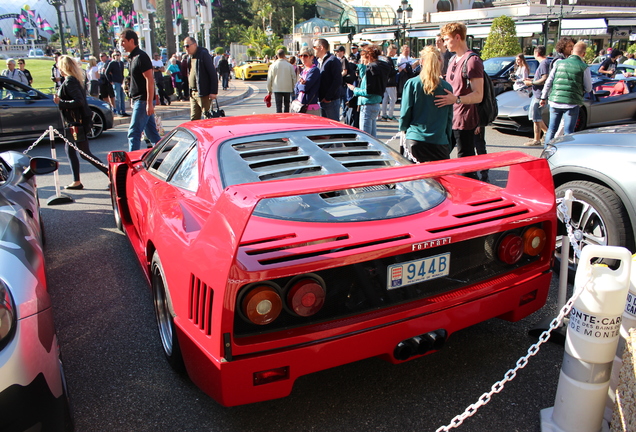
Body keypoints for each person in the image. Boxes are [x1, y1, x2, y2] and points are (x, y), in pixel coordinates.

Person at [435, 22, 485, 178]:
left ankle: (471, 196)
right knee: (441, 155)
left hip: (464, 118)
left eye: (447, 39)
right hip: (451, 116)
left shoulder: (472, 60)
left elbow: (478, 94)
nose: (445, 43)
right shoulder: (453, 59)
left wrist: (455, 99)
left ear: (458, 37)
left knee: (465, 161)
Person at [53, 55, 108, 189]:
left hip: (76, 122)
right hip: (77, 121)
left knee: (84, 153)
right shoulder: (74, 80)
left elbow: (78, 101)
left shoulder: (70, 81)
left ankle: (110, 173)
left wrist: (61, 102)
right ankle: (76, 180)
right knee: (72, 150)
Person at [399, 46, 453, 163]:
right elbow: (449, 118)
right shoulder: (446, 87)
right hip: (439, 140)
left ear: (422, 62)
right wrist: (447, 140)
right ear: (441, 62)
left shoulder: (412, 84)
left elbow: (405, 113)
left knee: (415, 180)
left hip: (416, 138)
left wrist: (403, 129)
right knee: (438, 180)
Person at [540, 41, 592, 146]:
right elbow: (589, 88)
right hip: (571, 102)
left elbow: (549, 81)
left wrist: (543, 97)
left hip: (555, 100)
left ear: (572, 51)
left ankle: (546, 152)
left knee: (551, 129)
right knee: (569, 132)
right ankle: (566, 152)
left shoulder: (558, 63)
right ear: (584, 54)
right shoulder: (584, 67)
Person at [120, 29, 162, 152]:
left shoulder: (141, 57)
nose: (122, 45)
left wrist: (149, 103)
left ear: (131, 41)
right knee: (152, 135)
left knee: (134, 133)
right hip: (139, 99)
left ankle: (132, 162)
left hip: (143, 100)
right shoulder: (132, 57)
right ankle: (165, 156)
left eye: (123, 41)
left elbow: (150, 79)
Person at [347, 44, 391, 137]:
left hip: (367, 105)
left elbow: (368, 90)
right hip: (375, 103)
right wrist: (362, 66)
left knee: (365, 137)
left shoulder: (371, 68)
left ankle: (367, 151)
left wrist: (355, 90)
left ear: (369, 56)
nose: (362, 60)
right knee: (372, 136)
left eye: (363, 58)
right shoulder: (380, 67)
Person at [183, 37, 218, 120]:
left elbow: (212, 73)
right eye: (184, 46)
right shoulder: (190, 57)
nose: (186, 48)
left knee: (208, 117)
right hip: (193, 92)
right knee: (194, 119)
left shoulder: (203, 54)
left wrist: (213, 92)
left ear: (194, 45)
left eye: (187, 46)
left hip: (203, 93)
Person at [522, 45, 550, 146]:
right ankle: (546, 133)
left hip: (540, 95)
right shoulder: (544, 63)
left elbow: (544, 79)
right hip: (537, 94)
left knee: (536, 117)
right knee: (534, 116)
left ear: (536, 53)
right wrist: (531, 81)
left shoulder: (544, 64)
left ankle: (537, 139)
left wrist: (532, 83)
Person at [313, 38, 342, 121]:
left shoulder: (332, 60)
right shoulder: (319, 61)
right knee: (325, 128)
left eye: (314, 47)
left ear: (321, 47)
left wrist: (328, 98)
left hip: (330, 101)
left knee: (333, 126)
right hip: (321, 100)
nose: (313, 49)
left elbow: (337, 80)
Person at [267, 49, 297, 113]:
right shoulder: (290, 66)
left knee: (278, 106)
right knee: (287, 105)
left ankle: (279, 120)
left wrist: (269, 90)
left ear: (277, 55)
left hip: (277, 88)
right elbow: (294, 77)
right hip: (287, 88)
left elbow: (269, 79)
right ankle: (286, 119)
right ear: (284, 55)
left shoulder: (273, 66)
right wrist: (294, 87)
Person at [294, 46, 321, 115]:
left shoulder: (314, 70)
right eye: (301, 56)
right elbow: (296, 88)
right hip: (300, 105)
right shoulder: (303, 71)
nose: (302, 58)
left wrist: (301, 86)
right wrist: (301, 86)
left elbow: (306, 87)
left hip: (311, 107)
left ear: (312, 57)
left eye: (305, 56)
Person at [105, 50, 128, 116]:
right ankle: (118, 111)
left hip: (121, 82)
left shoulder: (121, 63)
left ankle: (123, 111)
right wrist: (111, 81)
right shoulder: (112, 63)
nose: (117, 56)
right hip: (116, 82)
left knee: (122, 97)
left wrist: (123, 80)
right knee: (117, 98)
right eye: (116, 55)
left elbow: (122, 72)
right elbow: (107, 72)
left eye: (118, 55)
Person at [380, 44, 398, 121]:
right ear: (390, 51)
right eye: (394, 52)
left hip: (385, 82)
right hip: (391, 82)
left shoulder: (384, 59)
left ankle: (383, 114)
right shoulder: (389, 60)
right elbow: (390, 72)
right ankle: (390, 114)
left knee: (385, 99)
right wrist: (397, 70)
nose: (395, 53)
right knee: (393, 99)